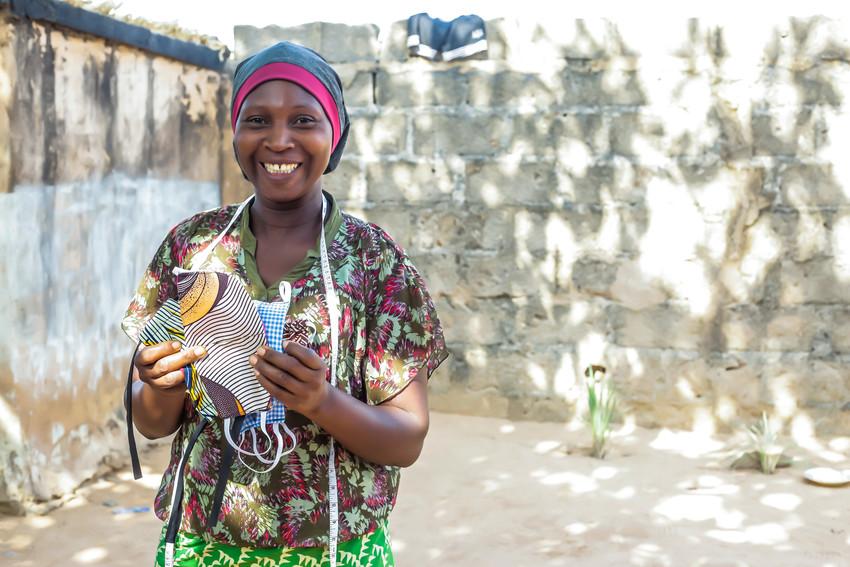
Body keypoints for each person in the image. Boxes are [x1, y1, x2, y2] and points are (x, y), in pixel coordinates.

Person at [121, 41, 448, 567]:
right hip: (202, 544)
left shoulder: (374, 263)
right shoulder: (193, 247)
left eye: (302, 119)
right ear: (235, 134)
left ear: (333, 135)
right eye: (257, 120)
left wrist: (321, 402)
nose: (278, 141)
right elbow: (154, 423)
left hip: (335, 549)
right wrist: (158, 385)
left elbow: (406, 439)